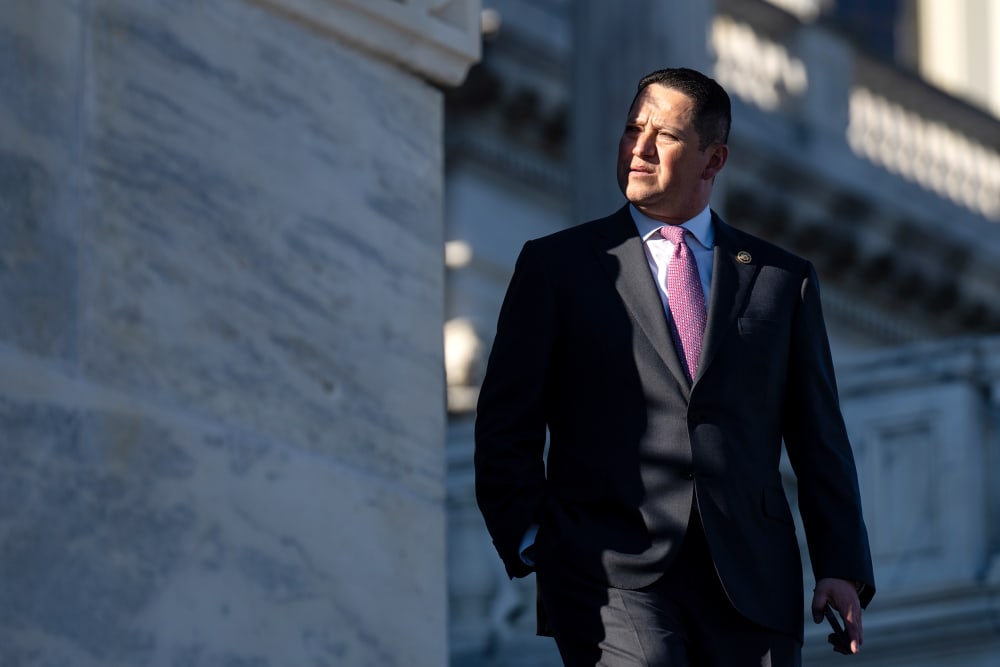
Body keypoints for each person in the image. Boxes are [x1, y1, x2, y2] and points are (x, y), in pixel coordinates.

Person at [474, 67, 875, 666]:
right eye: (633, 128)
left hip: (751, 580)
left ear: (713, 160)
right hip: (607, 569)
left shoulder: (780, 279)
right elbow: (507, 422)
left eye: (663, 135)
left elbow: (819, 436)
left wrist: (841, 565)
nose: (638, 148)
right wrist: (536, 541)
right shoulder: (558, 266)